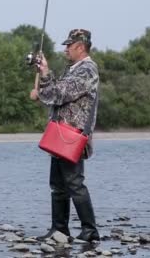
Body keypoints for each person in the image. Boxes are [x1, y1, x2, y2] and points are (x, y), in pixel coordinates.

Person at [31, 28, 101, 242]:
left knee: (74, 183)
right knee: (58, 185)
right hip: (60, 136)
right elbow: (53, 92)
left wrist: (44, 78)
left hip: (73, 136)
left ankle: (90, 231)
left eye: (68, 46)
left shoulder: (87, 70)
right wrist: (44, 74)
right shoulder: (72, 69)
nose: (65, 49)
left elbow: (58, 94)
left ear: (80, 47)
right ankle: (59, 230)